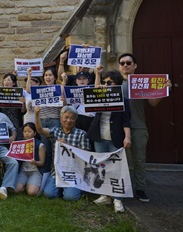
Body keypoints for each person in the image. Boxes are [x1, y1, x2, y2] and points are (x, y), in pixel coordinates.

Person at [117, 53, 171, 203]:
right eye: (122, 63)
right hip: (118, 128)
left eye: (129, 63)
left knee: (139, 160)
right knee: (121, 161)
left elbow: (153, 103)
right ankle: (122, 189)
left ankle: (140, 189)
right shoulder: (114, 83)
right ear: (119, 66)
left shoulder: (142, 83)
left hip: (138, 126)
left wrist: (164, 90)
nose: (125, 65)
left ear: (135, 66)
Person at [88, 67, 131, 213]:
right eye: (105, 82)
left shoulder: (123, 101)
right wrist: (97, 75)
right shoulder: (99, 96)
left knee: (116, 168)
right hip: (99, 137)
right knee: (102, 166)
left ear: (117, 83)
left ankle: (117, 198)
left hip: (115, 138)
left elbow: (126, 121)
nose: (107, 85)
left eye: (110, 82)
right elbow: (94, 90)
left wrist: (127, 137)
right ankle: (105, 194)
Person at [35, 105, 90, 201]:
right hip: (57, 171)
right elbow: (40, 130)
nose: (68, 120)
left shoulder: (82, 134)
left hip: (74, 172)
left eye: (72, 118)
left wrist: (68, 146)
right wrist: (36, 115)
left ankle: (75, 189)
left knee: (70, 197)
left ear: (75, 120)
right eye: (66, 117)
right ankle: (61, 188)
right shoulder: (55, 131)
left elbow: (85, 154)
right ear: (61, 119)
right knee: (49, 194)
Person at [14, 123, 46, 196]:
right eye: (25, 132)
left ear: (34, 133)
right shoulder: (21, 144)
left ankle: (29, 184)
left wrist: (35, 162)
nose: (27, 134)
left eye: (29, 131)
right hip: (23, 171)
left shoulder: (40, 145)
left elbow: (42, 162)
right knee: (16, 190)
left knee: (32, 192)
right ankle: (25, 185)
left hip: (35, 171)